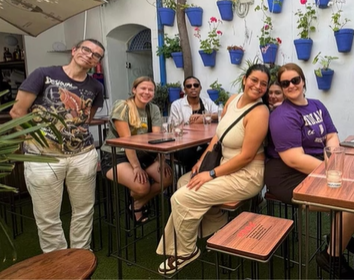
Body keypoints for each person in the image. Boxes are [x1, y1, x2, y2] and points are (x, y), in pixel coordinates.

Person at [156, 64, 271, 275]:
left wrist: (210, 174)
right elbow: (218, 135)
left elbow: (246, 156)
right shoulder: (233, 99)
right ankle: (216, 228)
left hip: (247, 175)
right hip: (225, 167)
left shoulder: (260, 112)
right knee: (183, 182)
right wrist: (203, 160)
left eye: (264, 83)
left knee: (181, 197)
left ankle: (186, 251)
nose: (258, 86)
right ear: (245, 79)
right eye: (254, 80)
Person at [264, 63, 354, 279]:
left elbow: (331, 134)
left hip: (315, 165)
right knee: (353, 202)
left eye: (295, 80)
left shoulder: (317, 105)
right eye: (285, 83)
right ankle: (332, 255)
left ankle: (340, 235)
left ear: (303, 81)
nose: (291, 85)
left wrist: (334, 156)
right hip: (287, 174)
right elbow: (294, 159)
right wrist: (333, 169)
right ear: (281, 87)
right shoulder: (282, 115)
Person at [10, 39, 105, 253]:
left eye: (96, 55)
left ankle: (81, 257)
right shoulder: (43, 74)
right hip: (43, 157)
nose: (90, 55)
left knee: (84, 211)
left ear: (97, 62)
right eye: (86, 49)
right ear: (74, 50)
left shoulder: (95, 86)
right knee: (47, 217)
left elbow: (85, 119)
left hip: (82, 155)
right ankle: (59, 264)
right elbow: (17, 112)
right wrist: (34, 142)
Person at [100, 76, 172, 224]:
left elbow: (157, 137)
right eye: (143, 88)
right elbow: (127, 142)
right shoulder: (122, 106)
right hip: (117, 155)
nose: (147, 92)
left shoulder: (153, 109)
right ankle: (139, 195)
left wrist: (161, 159)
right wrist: (137, 167)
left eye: (150, 89)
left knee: (168, 178)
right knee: (142, 187)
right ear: (134, 90)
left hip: (143, 154)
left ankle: (137, 203)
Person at [170, 76, 219, 170]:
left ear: (200, 88)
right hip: (184, 144)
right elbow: (174, 128)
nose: (193, 88)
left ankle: (205, 176)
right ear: (184, 90)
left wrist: (204, 117)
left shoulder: (207, 102)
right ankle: (189, 178)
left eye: (196, 85)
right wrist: (190, 122)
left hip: (205, 141)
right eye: (189, 86)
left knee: (215, 150)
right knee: (189, 155)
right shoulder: (177, 105)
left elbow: (221, 113)